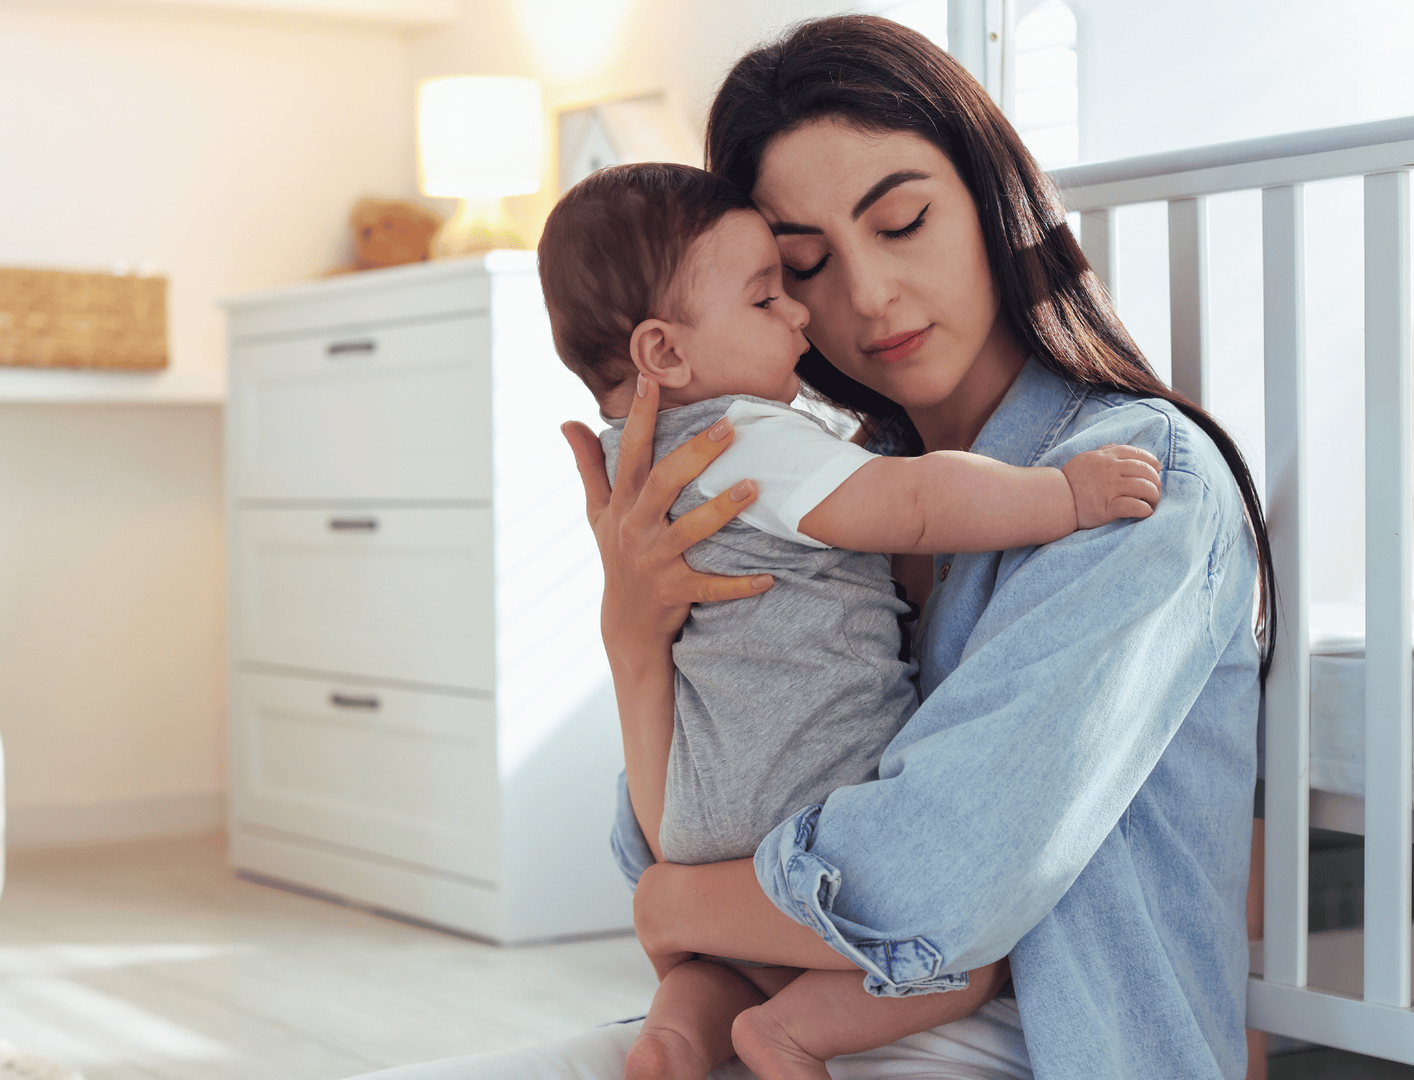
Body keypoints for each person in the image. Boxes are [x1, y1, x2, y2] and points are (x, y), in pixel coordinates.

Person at [348, 13, 1272, 1080]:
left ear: (993, 200)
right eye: (800, 266)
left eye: (905, 221)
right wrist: (633, 641)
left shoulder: (1132, 487)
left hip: (1057, 1046)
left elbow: (930, 887)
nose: (866, 297)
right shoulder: (812, 493)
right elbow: (686, 830)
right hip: (810, 1014)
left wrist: (679, 902)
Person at [534, 160, 1162, 1080]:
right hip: (800, 783)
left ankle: (677, 1036)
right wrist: (1063, 496)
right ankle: (788, 1037)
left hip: (697, 800)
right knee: (960, 959)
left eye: (902, 222)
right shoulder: (742, 437)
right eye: (767, 295)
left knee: (726, 970)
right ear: (665, 353)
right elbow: (908, 503)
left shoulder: (653, 469)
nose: (800, 314)